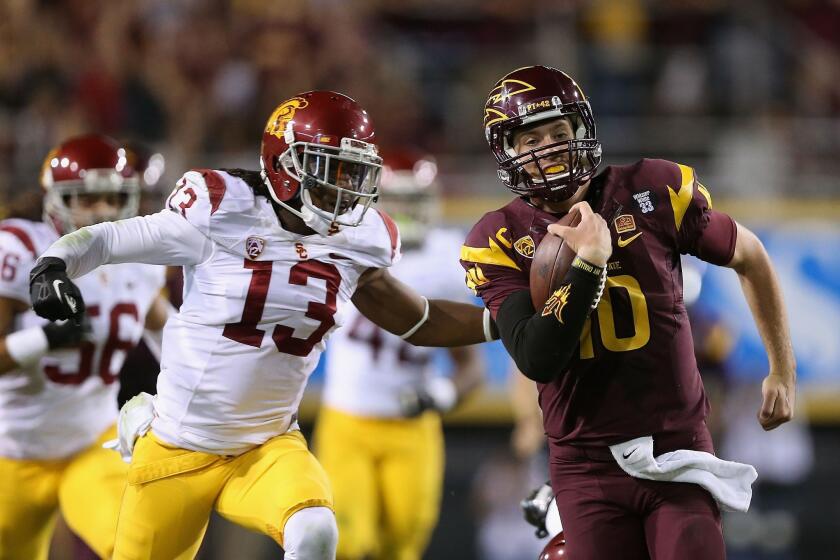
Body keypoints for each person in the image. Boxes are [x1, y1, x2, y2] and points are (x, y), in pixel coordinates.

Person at [29, 91, 496, 560]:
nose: (345, 187)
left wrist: (505, 321)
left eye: (353, 172)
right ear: (285, 165)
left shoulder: (359, 242)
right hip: (177, 445)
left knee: (315, 530)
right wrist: (53, 263)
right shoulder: (220, 210)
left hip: (268, 445)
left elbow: (422, 320)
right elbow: (113, 239)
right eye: (330, 169)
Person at [460, 65, 796, 560]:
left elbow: (751, 256)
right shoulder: (499, 238)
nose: (551, 148)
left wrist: (782, 370)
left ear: (583, 130)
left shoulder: (652, 191)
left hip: (676, 444)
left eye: (559, 132)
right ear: (508, 153)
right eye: (532, 139)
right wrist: (589, 265)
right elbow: (535, 356)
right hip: (585, 464)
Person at [0, 134, 169, 560]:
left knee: (135, 547)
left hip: (93, 442)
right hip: (12, 449)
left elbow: (175, 338)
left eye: (112, 199)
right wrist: (44, 339)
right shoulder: (19, 250)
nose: (102, 214)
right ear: (54, 201)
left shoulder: (138, 259)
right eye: (86, 199)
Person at [313, 149, 484, 560]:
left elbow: (469, 366)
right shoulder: (346, 243)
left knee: (404, 542)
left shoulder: (448, 260)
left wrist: (441, 396)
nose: (407, 210)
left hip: (412, 425)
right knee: (346, 542)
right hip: (347, 420)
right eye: (399, 199)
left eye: (416, 199)